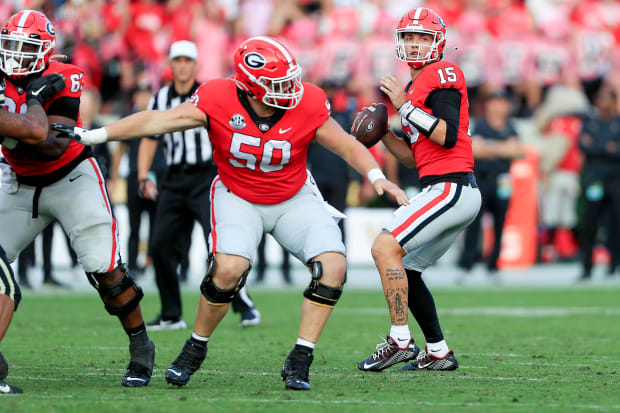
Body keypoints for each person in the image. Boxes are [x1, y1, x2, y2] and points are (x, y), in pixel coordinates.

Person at [53, 36, 408, 390]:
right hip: (238, 195)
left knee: (333, 266)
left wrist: (377, 177)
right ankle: (196, 346)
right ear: (252, 85)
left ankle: (301, 357)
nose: (290, 88)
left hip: (293, 195)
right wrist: (94, 135)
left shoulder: (308, 101)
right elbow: (157, 121)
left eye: (291, 79)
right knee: (228, 269)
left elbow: (345, 143)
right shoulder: (218, 97)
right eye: (279, 83)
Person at [0, 10, 154, 388]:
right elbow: (35, 137)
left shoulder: (64, 75)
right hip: (17, 181)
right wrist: (22, 133)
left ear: (45, 50)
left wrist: (10, 134)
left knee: (106, 271)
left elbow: (53, 146)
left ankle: (140, 344)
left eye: (26, 47)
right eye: (11, 45)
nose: (16, 55)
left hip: (71, 177)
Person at [357, 8, 481, 372]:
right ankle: (439, 351)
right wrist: (382, 135)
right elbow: (416, 158)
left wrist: (404, 106)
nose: (415, 44)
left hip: (452, 187)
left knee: (383, 246)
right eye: (409, 37)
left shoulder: (443, 72)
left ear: (438, 42)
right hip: (445, 187)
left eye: (423, 37)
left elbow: (446, 135)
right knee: (407, 270)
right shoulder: (415, 88)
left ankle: (400, 340)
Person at [133, 41, 259, 330]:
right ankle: (170, 314)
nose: (182, 66)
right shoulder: (160, 97)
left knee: (220, 246)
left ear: (195, 64)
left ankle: (245, 306)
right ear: (171, 64)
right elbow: (150, 138)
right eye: (177, 60)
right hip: (174, 179)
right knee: (160, 246)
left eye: (187, 60)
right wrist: (143, 175)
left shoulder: (210, 94)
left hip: (207, 178)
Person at [457, 89, 523, 278]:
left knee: (500, 223)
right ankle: (467, 264)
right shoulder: (480, 124)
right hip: (480, 179)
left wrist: (490, 146)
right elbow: (476, 150)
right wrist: (502, 148)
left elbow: (516, 151)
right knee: (474, 222)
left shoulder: (510, 126)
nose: (498, 107)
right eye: (495, 102)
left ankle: (493, 265)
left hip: (502, 180)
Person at [577, 87, 620, 280]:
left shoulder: (617, 123)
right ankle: (587, 267)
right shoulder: (590, 123)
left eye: (606, 99)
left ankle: (613, 265)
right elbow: (583, 146)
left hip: (614, 180)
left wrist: (597, 146)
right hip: (593, 179)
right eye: (600, 99)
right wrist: (607, 147)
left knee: (615, 223)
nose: (602, 103)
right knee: (590, 224)